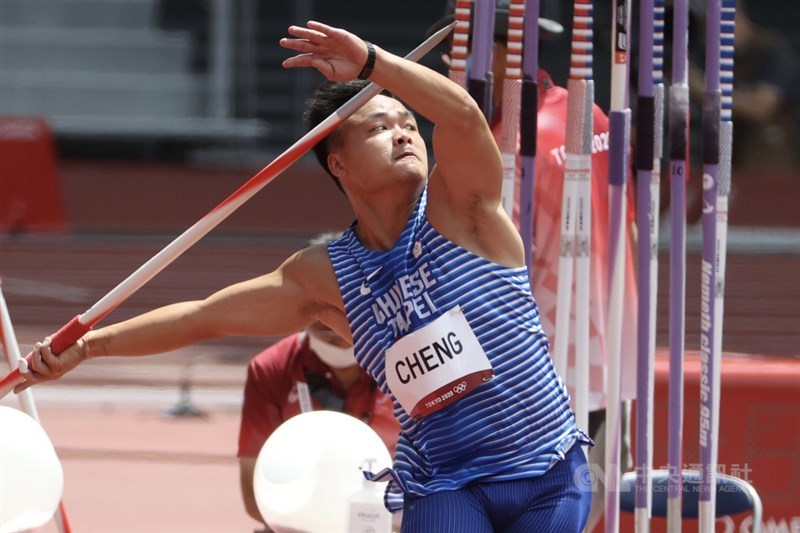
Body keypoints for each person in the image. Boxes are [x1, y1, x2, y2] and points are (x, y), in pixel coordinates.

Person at [19, 19, 592, 532]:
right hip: (444, 483)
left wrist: (374, 62)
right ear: (337, 163)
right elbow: (205, 317)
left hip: (545, 470)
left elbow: (463, 116)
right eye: (378, 128)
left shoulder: (461, 211)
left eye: (408, 124)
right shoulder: (326, 276)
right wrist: (89, 348)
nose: (404, 134)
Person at [429, 1, 638, 530]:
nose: (447, 71)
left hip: (546, 359)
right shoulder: (585, 113)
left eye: (458, 54)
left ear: (496, 54)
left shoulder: (517, 140)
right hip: (607, 350)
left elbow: (488, 257)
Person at [237, 320, 400, 526]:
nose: (336, 325)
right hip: (298, 524)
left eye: (345, 314)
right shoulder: (271, 367)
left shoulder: (404, 362)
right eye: (324, 320)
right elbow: (253, 492)